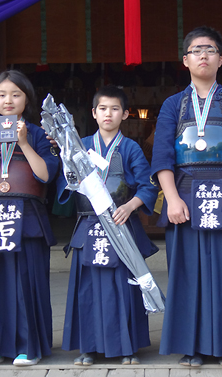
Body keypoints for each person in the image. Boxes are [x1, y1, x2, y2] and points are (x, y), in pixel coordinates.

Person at [151, 26, 222, 367]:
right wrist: (171, 199)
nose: (203, 55)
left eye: (210, 49)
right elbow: (162, 156)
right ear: (185, 61)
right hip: (185, 193)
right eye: (196, 50)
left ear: (220, 59)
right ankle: (192, 346)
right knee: (189, 274)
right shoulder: (172, 105)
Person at [57, 85, 159, 366]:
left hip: (121, 225)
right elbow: (66, 184)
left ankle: (127, 347)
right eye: (103, 108)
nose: (108, 114)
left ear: (125, 114)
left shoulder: (130, 148)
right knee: (88, 289)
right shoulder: (80, 146)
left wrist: (130, 206)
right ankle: (88, 347)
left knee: (122, 289)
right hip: (89, 226)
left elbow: (147, 185)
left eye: (115, 109)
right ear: (93, 113)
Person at [0, 70, 59, 366]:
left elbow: (46, 174)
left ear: (26, 99)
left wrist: (25, 143)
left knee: (25, 282)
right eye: (2, 95)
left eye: (16, 94)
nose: (8, 100)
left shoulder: (39, 133)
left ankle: (27, 347)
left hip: (28, 216)